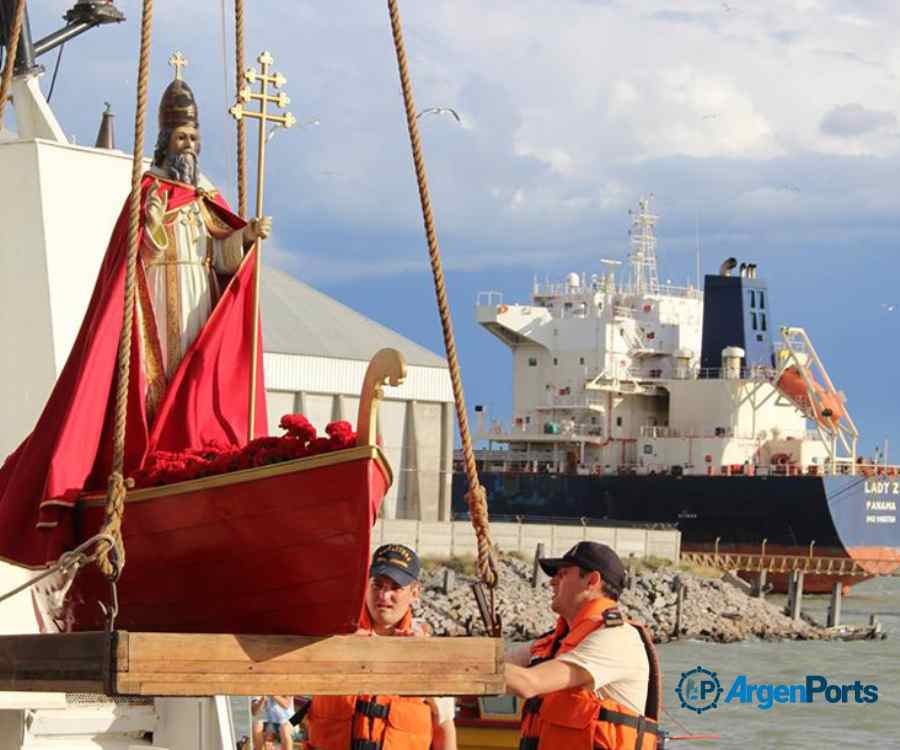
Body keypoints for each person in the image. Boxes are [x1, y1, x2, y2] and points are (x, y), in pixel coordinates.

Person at [0, 54, 270, 568]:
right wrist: (149, 223)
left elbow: (220, 255)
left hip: (196, 295)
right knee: (154, 383)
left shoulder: (205, 194)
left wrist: (244, 237)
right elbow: (133, 254)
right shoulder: (146, 191)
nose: (187, 147)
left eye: (193, 139)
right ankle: (145, 465)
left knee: (194, 375)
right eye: (180, 138)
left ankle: (190, 458)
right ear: (165, 140)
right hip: (155, 294)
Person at [504, 542, 661, 750]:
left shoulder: (616, 639)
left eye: (562, 574)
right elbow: (498, 664)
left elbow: (530, 683)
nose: (552, 582)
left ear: (591, 580)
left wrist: (461, 666)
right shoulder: (553, 643)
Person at [305, 544, 457, 750]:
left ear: (415, 592)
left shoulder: (427, 653)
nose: (384, 596)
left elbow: (443, 724)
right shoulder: (331, 639)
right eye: (377, 585)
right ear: (365, 585)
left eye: (395, 587)